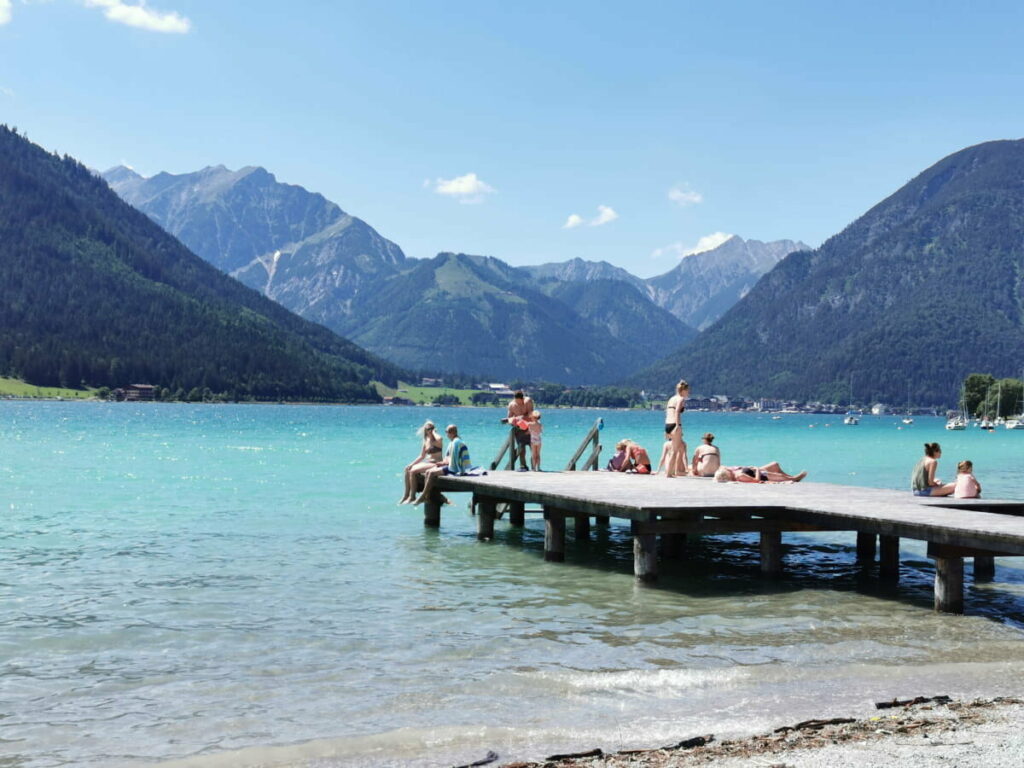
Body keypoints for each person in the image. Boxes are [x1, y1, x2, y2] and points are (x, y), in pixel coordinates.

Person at [414, 425, 476, 504]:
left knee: (431, 473)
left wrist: (444, 463)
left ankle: (424, 495)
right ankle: (427, 495)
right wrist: (442, 463)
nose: (446, 434)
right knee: (428, 471)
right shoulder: (452, 442)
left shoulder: (456, 442)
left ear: (453, 432)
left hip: (454, 469)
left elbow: (454, 461)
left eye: (447, 432)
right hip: (450, 465)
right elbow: (448, 457)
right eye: (446, 432)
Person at [399, 420, 443, 504]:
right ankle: (406, 495)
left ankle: (412, 496)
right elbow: (422, 456)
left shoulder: (437, 440)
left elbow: (440, 438)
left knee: (413, 471)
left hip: (436, 463)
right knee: (408, 469)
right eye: (427, 428)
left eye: (431, 428)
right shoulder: (426, 440)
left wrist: (433, 432)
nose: (429, 430)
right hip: (428, 463)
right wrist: (411, 464)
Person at [664, 380, 690, 477]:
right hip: (674, 424)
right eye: (688, 391)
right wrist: (678, 426)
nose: (688, 393)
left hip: (667, 423)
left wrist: (666, 429)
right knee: (674, 451)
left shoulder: (671, 399)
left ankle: (669, 472)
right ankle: (669, 473)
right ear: (683, 390)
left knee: (672, 450)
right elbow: (677, 412)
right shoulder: (680, 399)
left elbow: (667, 412)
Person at [506, 390, 535, 471]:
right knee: (521, 449)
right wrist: (513, 421)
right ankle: (523, 466)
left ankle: (534, 466)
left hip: (530, 428)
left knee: (533, 448)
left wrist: (522, 417)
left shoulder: (528, 401)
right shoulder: (511, 405)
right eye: (517, 402)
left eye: (520, 402)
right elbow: (509, 418)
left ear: (523, 398)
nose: (519, 403)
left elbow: (531, 415)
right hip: (519, 429)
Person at [714, 463, 807, 483]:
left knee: (777, 470)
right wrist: (757, 469)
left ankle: (793, 478)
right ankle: (795, 478)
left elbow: (721, 466)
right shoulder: (739, 476)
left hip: (760, 473)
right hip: (763, 476)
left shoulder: (734, 473)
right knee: (780, 476)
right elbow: (756, 480)